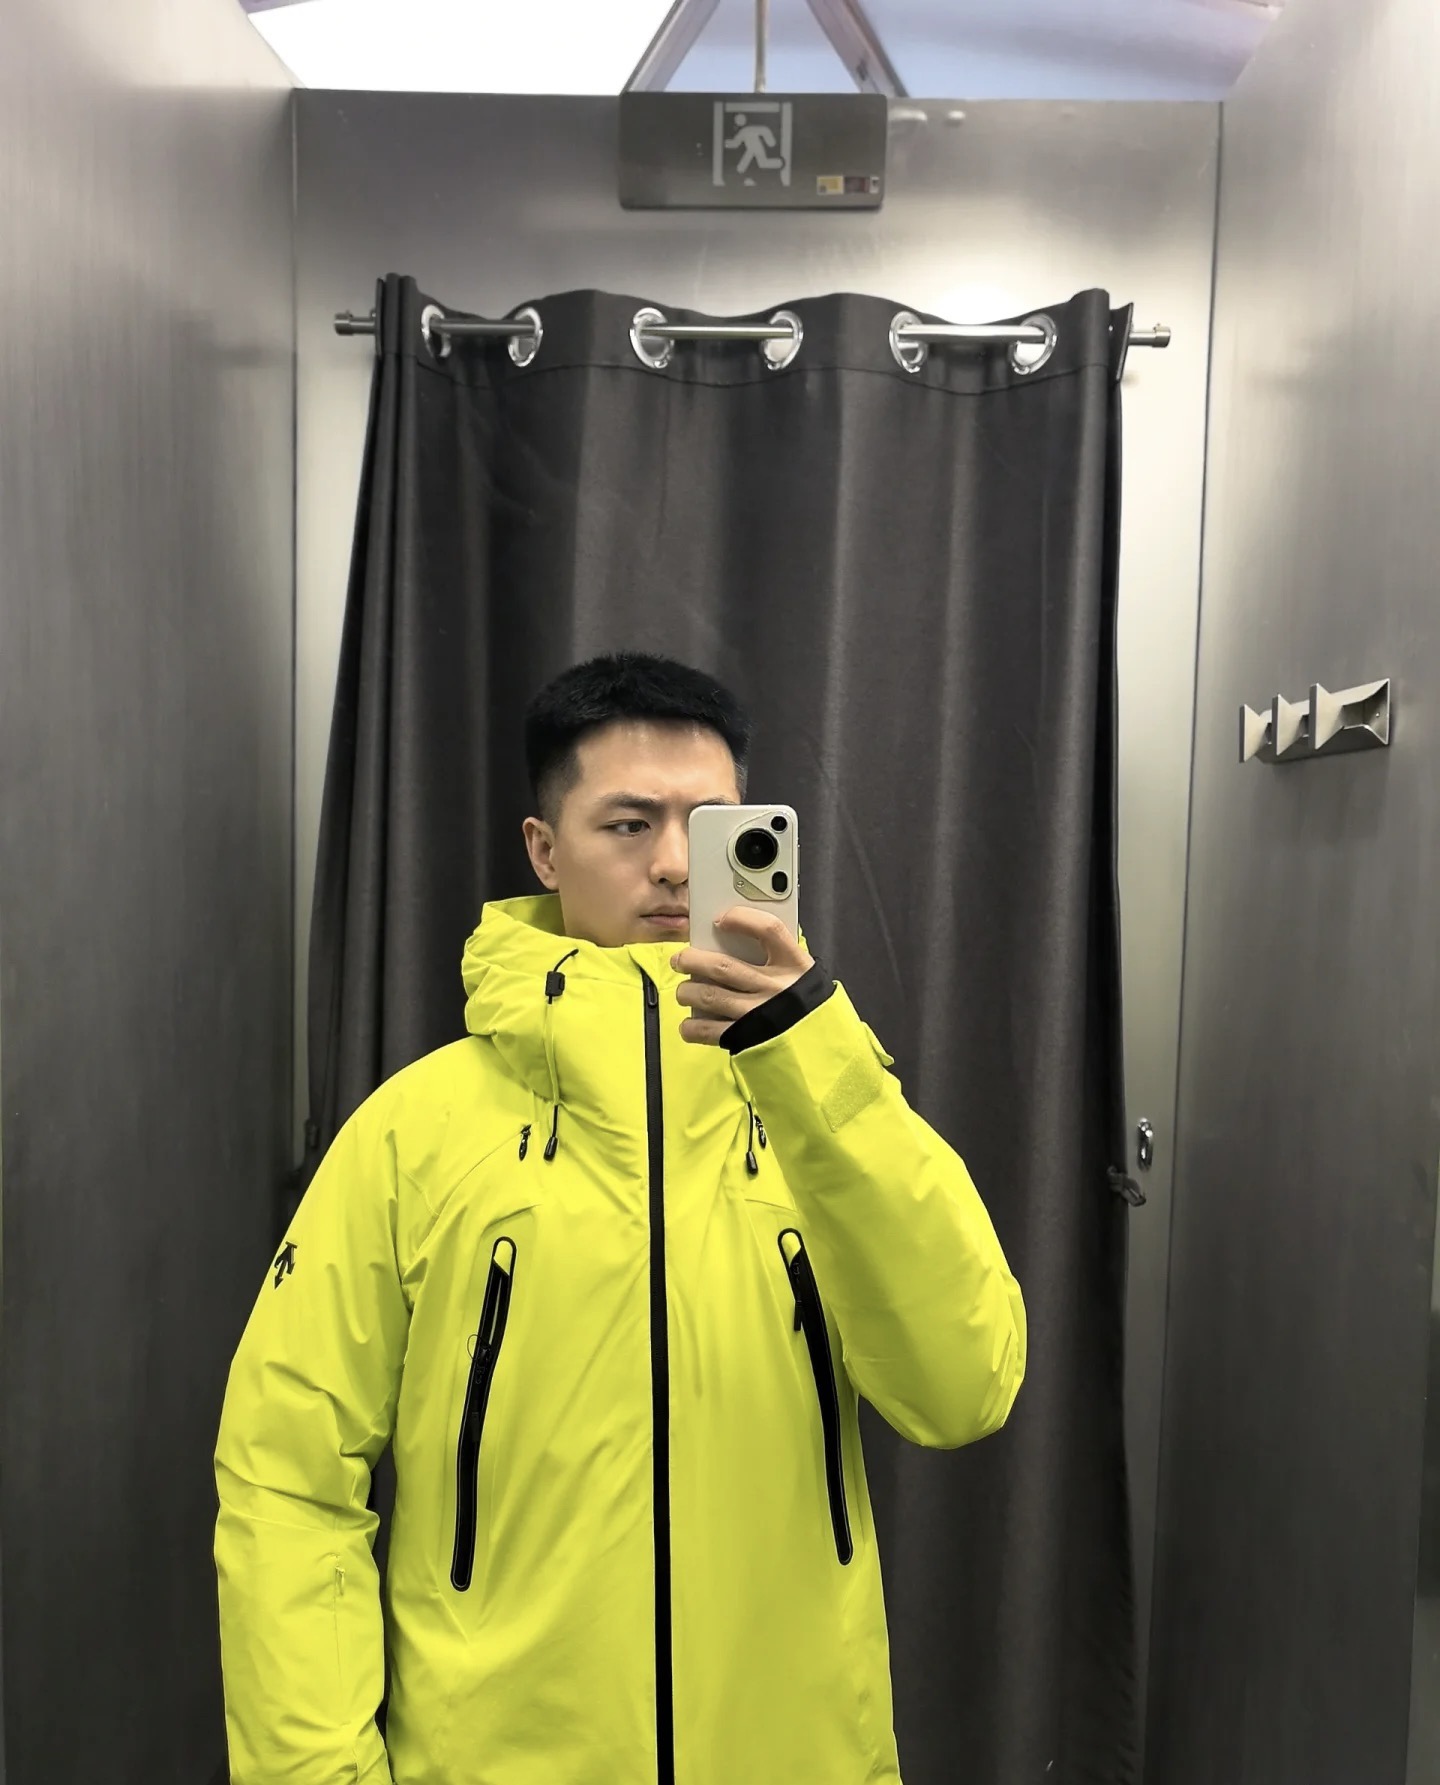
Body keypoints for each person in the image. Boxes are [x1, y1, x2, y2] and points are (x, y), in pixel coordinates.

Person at [213, 650, 1026, 1785]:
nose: (676, 864)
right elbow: (287, 1477)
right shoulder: (413, 1134)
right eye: (630, 824)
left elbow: (964, 1386)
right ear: (545, 849)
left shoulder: (828, 1115)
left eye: (712, 825)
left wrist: (812, 1055)